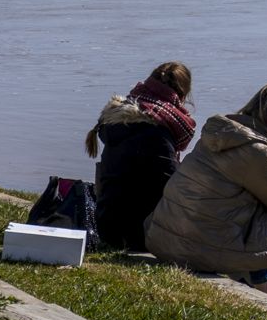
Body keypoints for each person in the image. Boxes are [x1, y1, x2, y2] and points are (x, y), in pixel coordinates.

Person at [145, 83, 267, 311]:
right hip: (201, 250)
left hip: (167, 240)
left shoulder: (219, 134)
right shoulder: (258, 152)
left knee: (258, 212)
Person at [84, 61, 196, 251]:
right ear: (182, 96)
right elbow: (172, 187)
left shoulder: (118, 123)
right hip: (139, 234)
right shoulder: (156, 133)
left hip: (108, 225)